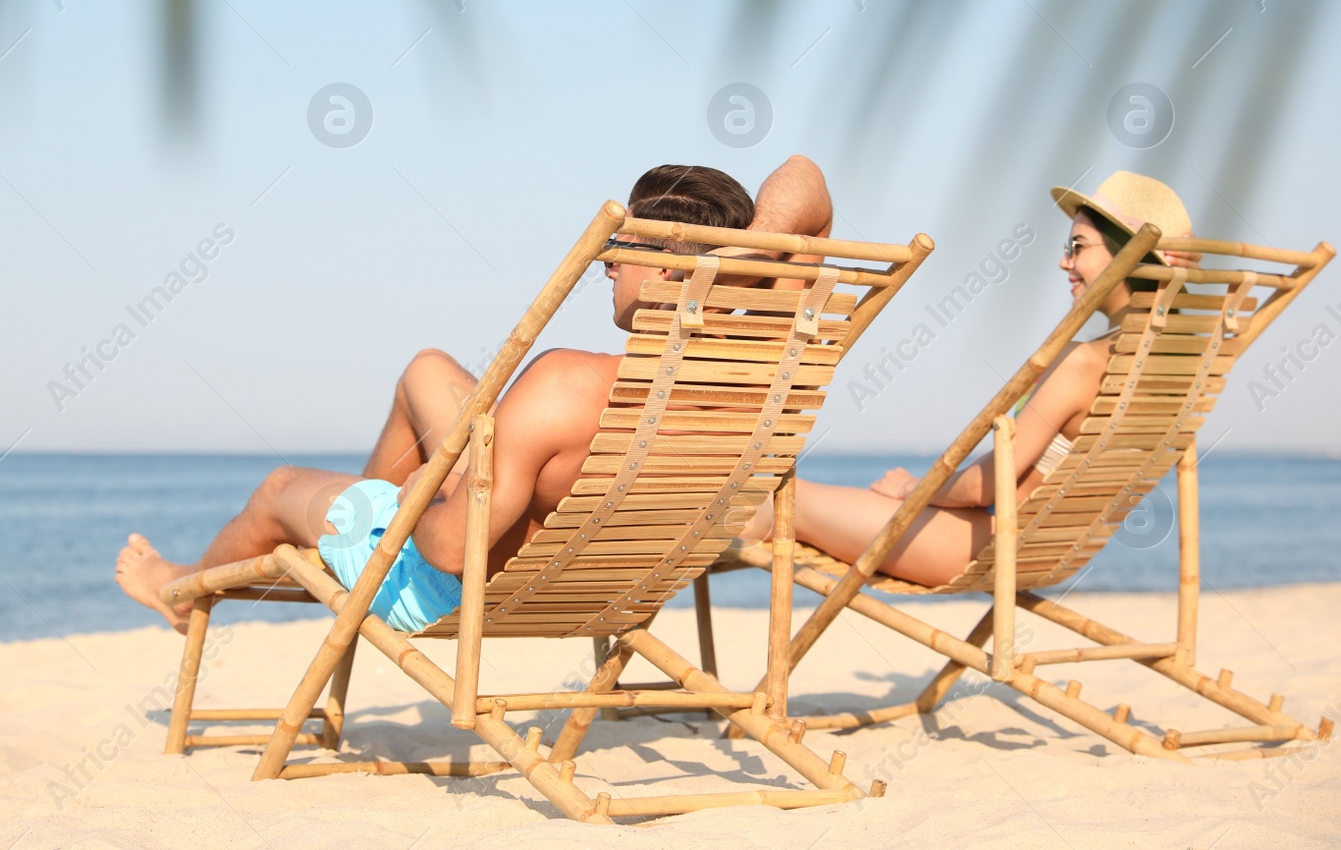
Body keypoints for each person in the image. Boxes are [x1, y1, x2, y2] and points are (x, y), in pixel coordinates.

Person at [117, 156, 834, 632]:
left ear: (667, 263)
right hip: (613, 576)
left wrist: (432, 491)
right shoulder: (762, 373)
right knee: (429, 369)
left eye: (623, 248)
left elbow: (451, 550)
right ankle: (360, 534)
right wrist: (735, 264)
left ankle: (181, 589)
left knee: (279, 487)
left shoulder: (566, 384)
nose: (607, 264)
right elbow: (807, 183)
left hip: (465, 588)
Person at [741, 170, 1196, 587]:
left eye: (1077, 246)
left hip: (982, 546)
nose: (1064, 263)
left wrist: (911, 489)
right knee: (767, 504)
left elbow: (989, 485)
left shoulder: (1083, 362)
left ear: (1127, 257)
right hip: (1048, 552)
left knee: (767, 502)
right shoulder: (1174, 366)